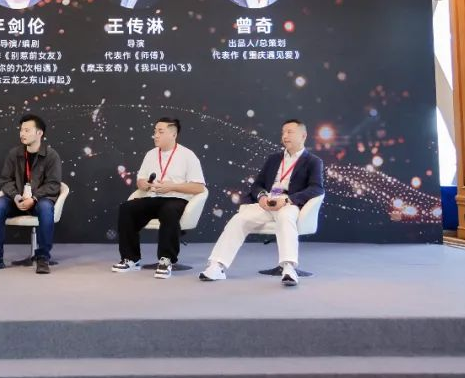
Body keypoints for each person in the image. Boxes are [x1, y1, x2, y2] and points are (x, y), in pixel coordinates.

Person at [200, 119, 325, 287]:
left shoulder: (313, 161)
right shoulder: (273, 159)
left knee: (286, 217)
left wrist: (287, 199)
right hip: (267, 201)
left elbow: (316, 188)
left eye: (290, 132)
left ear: (303, 135)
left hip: (289, 203)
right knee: (239, 219)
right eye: (283, 132)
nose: (285, 136)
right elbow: (257, 184)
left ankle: (288, 268)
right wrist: (261, 197)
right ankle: (217, 266)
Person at [113, 117, 206, 279]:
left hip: (176, 198)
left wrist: (172, 187)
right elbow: (140, 181)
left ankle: (166, 259)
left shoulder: (188, 155)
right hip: (153, 196)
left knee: (169, 210)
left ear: (173, 134)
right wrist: (146, 185)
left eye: (160, 132)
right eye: (155, 131)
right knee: (127, 208)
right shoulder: (150, 154)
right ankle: (131, 258)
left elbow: (199, 187)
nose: (155, 135)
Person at [0, 114, 62, 274]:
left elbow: (53, 185)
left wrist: (34, 198)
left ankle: (43, 258)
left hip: (39, 200)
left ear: (39, 133)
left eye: (27, 130)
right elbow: (6, 180)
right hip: (16, 200)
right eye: (21, 130)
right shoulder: (14, 154)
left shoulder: (51, 155)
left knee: (46, 208)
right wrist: (16, 197)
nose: (22, 134)